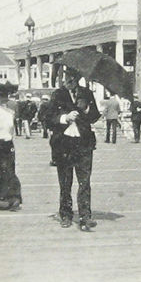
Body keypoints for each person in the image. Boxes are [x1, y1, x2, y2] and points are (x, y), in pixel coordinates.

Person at [44, 68, 101, 231]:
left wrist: (87, 110)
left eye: (72, 77)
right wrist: (64, 118)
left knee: (85, 182)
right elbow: (47, 118)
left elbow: (95, 116)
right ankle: (66, 215)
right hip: (63, 144)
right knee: (65, 182)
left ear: (78, 78)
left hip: (83, 143)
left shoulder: (87, 94)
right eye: (67, 77)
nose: (69, 80)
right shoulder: (57, 95)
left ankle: (85, 216)